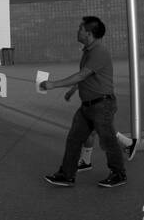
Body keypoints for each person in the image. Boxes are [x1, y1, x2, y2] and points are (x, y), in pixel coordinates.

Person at [40, 16, 128, 188]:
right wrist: (73, 90)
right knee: (74, 138)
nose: (77, 31)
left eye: (80, 28)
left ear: (88, 33)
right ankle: (67, 175)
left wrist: (53, 84)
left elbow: (82, 74)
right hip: (88, 106)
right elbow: (86, 76)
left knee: (107, 140)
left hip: (102, 105)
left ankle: (119, 174)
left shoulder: (99, 51)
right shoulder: (88, 50)